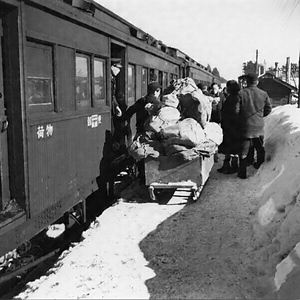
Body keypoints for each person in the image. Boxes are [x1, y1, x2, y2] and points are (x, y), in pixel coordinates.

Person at [125, 82, 162, 183]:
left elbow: (129, 112)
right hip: (153, 133)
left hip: (141, 132)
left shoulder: (141, 100)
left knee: (142, 153)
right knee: (154, 153)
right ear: (156, 91)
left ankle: (142, 177)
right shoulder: (158, 103)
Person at [237, 73, 272, 179]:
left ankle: (242, 173)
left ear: (247, 82)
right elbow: (268, 109)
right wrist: (259, 117)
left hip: (245, 126)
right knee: (259, 147)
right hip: (259, 126)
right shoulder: (264, 94)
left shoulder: (240, 93)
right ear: (257, 82)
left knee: (243, 150)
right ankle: (259, 167)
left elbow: (236, 110)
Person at [217, 80, 241, 174]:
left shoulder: (235, 98)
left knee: (233, 148)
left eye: (227, 87)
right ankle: (226, 165)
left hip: (233, 127)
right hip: (228, 126)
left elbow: (235, 112)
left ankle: (234, 166)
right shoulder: (232, 97)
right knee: (228, 147)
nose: (226, 89)